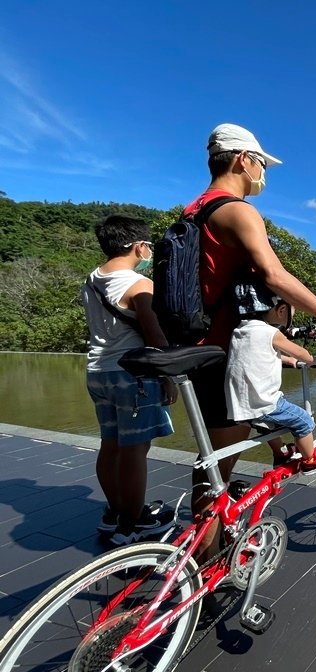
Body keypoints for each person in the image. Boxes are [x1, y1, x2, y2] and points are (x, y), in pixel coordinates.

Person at [185, 123, 316, 560]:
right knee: (217, 471)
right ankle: (203, 574)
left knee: (215, 464)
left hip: (202, 350)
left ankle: (209, 547)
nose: (262, 172)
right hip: (226, 355)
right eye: (261, 163)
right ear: (241, 160)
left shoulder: (193, 212)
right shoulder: (235, 211)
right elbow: (273, 275)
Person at [81, 215, 178, 546]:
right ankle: (133, 523)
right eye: (147, 245)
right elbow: (153, 332)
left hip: (98, 372)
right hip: (133, 375)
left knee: (110, 446)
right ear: (138, 246)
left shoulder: (92, 279)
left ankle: (116, 511)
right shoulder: (139, 284)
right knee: (136, 451)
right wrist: (168, 376)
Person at [225, 289, 316, 472]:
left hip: (239, 405)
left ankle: (280, 453)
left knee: (268, 427)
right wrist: (313, 360)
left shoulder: (241, 330)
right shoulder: (270, 332)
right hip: (264, 402)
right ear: (281, 310)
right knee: (303, 420)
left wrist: (288, 360)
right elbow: (300, 353)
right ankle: (311, 459)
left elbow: (255, 354)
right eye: (291, 315)